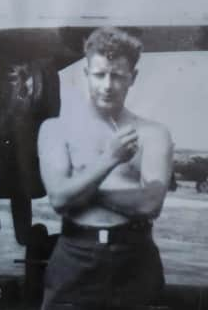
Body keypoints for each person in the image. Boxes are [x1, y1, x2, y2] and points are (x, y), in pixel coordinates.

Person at [38, 27, 173, 310]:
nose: (108, 85)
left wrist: (82, 190)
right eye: (99, 74)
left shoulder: (153, 133)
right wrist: (110, 159)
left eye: (117, 75)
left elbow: (150, 204)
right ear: (85, 74)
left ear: (132, 78)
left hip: (135, 260)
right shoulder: (56, 129)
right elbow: (59, 200)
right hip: (75, 257)